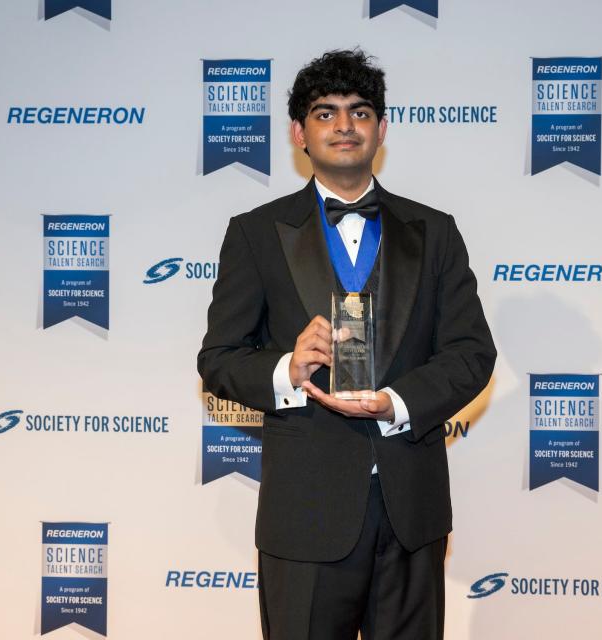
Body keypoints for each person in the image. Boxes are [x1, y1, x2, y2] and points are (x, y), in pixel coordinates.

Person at [197, 49, 496, 640]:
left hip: (412, 509)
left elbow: (471, 354)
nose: (344, 125)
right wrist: (288, 367)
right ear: (297, 132)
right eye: (325, 112)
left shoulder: (435, 231)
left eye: (360, 112)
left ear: (381, 129)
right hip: (305, 511)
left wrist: (398, 404)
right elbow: (219, 360)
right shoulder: (255, 233)